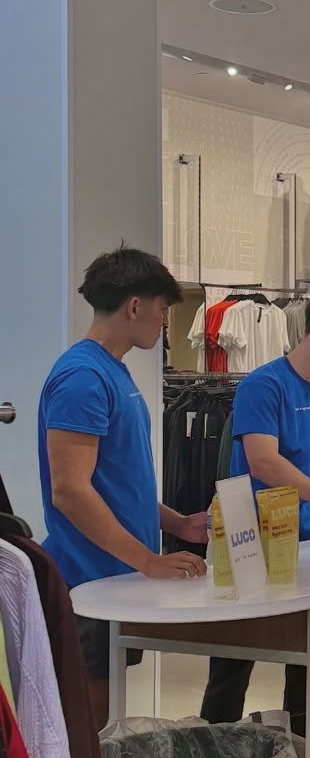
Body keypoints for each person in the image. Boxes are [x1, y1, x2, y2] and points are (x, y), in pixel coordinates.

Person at [38, 246, 208, 725]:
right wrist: (148, 561)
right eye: (163, 309)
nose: (164, 321)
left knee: (107, 725)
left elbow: (118, 483)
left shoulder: (113, 371)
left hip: (116, 578)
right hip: (87, 581)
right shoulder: (83, 378)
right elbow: (70, 490)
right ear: (134, 306)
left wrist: (177, 524)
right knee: (89, 732)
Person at [199, 291, 310, 723]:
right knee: (233, 659)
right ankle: (214, 745)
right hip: (251, 538)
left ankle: (300, 745)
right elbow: (264, 462)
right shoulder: (263, 385)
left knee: (307, 657)